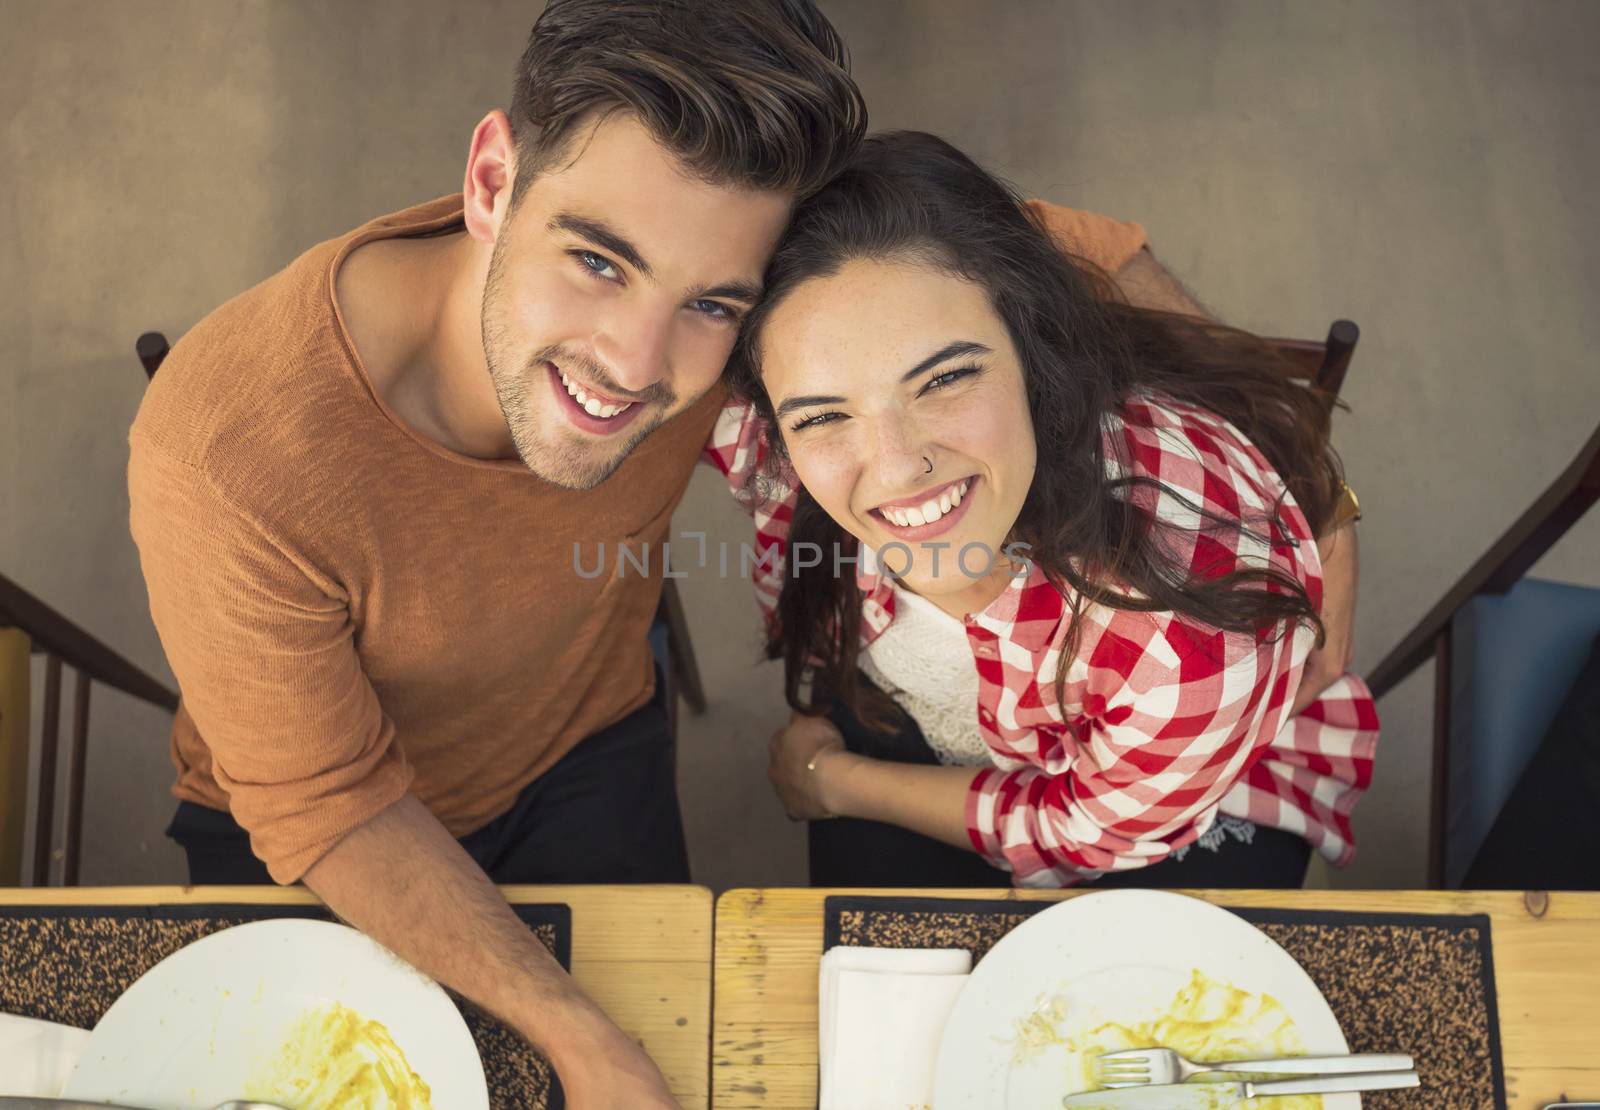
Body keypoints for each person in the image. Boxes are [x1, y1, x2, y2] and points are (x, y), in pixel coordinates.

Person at [127, 1, 1350, 1103]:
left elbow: (1018, 246)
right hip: (307, 821)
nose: (638, 367)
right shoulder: (222, 451)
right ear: (493, 179)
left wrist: (1307, 487)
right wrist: (577, 1036)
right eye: (597, 259)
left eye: (715, 300)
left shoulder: (747, 341)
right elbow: (327, 802)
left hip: (592, 751)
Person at [723, 131, 1378, 890]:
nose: (898, 469)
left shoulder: (1194, 629)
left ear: (1036, 345)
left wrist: (834, 783)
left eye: (944, 379)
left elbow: (1085, 830)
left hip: (1177, 788)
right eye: (821, 417)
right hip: (897, 708)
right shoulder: (758, 422)